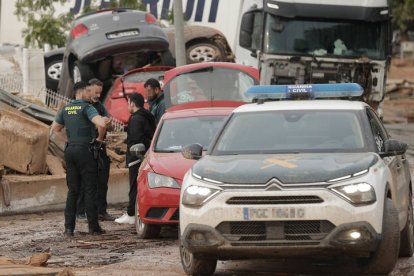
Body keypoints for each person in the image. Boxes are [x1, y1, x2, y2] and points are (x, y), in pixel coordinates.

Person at [51, 81, 111, 236]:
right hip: (86, 151)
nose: (91, 95)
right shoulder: (87, 107)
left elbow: (55, 129)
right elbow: (101, 124)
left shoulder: (65, 108)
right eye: (89, 91)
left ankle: (69, 228)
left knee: (73, 190)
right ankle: (93, 227)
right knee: (90, 188)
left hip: (70, 151)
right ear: (82, 92)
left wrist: (68, 140)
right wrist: (99, 139)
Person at [115, 93, 156, 224]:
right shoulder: (147, 116)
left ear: (132, 103)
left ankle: (131, 214)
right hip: (145, 155)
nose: (128, 106)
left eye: (128, 103)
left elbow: (136, 138)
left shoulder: (136, 119)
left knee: (134, 186)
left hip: (136, 157)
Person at [76, 78, 114, 221]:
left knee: (102, 179)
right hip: (85, 147)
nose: (98, 95)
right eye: (95, 92)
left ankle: (101, 211)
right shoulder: (81, 106)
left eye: (100, 92)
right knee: (84, 180)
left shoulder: (100, 106)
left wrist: (107, 124)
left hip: (100, 146)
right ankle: (80, 211)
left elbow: (107, 124)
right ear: (88, 90)